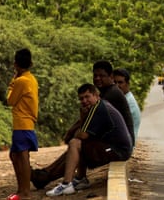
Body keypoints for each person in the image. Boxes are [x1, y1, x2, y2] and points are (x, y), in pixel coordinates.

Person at [31, 60, 135, 190]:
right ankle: (47, 174)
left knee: (78, 144)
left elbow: (86, 126)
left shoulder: (111, 94)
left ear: (111, 77)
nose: (97, 78)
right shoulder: (104, 92)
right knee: (77, 144)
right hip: (111, 141)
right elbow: (87, 120)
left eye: (101, 76)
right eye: (95, 75)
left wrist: (72, 132)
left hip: (118, 145)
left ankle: (48, 177)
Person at [45, 83, 133, 197]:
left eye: (87, 97)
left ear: (96, 96)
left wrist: (81, 121)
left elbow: (82, 135)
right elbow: (85, 134)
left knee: (75, 143)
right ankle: (80, 178)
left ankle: (67, 184)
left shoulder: (98, 108)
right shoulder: (100, 105)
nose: (84, 101)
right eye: (81, 98)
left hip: (119, 151)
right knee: (81, 144)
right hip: (118, 148)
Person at [6, 48, 39, 200]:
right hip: (27, 122)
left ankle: (25, 191)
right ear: (31, 63)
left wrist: (13, 80)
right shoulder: (32, 78)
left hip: (22, 122)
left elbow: (10, 100)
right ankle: (21, 189)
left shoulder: (21, 81)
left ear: (16, 65)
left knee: (22, 155)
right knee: (14, 155)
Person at [112, 68, 141, 141]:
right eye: (114, 82)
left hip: (123, 146)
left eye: (120, 82)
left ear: (127, 84)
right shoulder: (120, 99)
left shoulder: (127, 102)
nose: (117, 85)